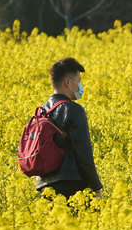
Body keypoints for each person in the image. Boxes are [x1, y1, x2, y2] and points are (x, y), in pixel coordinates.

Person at [36, 57, 102, 199]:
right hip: (72, 187)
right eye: (78, 81)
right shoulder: (73, 110)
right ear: (67, 83)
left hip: (45, 186)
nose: (80, 85)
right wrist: (96, 188)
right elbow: (83, 153)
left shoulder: (41, 111)